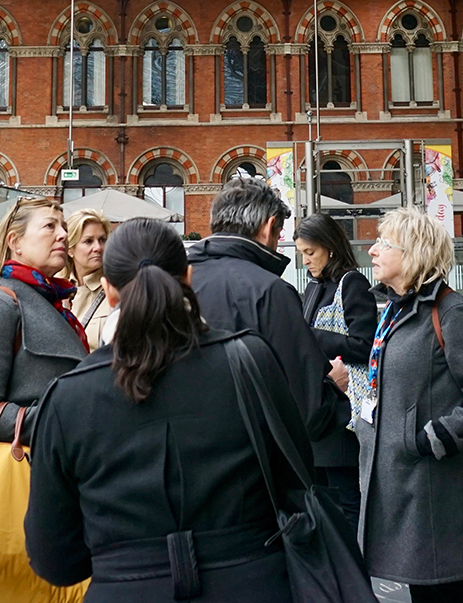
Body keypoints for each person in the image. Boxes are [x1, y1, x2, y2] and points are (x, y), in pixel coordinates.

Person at [27, 218, 311, 602]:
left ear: (109, 291)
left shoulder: (67, 397)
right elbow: (297, 482)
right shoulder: (250, 360)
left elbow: (54, 559)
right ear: (189, 277)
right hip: (254, 583)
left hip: (125, 590)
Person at [359, 208, 463, 603]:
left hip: (429, 480)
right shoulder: (395, 309)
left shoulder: (450, 311)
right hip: (397, 476)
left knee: (441, 584)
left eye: (383, 243)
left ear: (412, 253)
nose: (372, 250)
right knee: (424, 582)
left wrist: (431, 438)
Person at [186, 174, 340, 441]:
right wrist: (332, 386)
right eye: (279, 235)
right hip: (251, 454)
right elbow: (307, 410)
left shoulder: (170, 282)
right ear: (268, 227)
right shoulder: (270, 292)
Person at [0, 197, 87, 442]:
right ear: (15, 242)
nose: (63, 235)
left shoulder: (50, 299)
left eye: (64, 227)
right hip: (23, 460)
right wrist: (69, 420)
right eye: (50, 226)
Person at [295, 212, 376, 524]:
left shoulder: (351, 283)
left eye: (310, 252)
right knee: (326, 501)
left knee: (346, 501)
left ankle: (353, 555)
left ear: (329, 247)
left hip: (344, 411)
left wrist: (310, 336)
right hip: (321, 408)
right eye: (302, 253)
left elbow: (364, 345)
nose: (305, 261)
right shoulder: (314, 287)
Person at [66, 210, 113, 347]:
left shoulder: (116, 288)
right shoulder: (56, 288)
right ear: (70, 249)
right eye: (88, 241)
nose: (98, 247)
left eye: (102, 240)